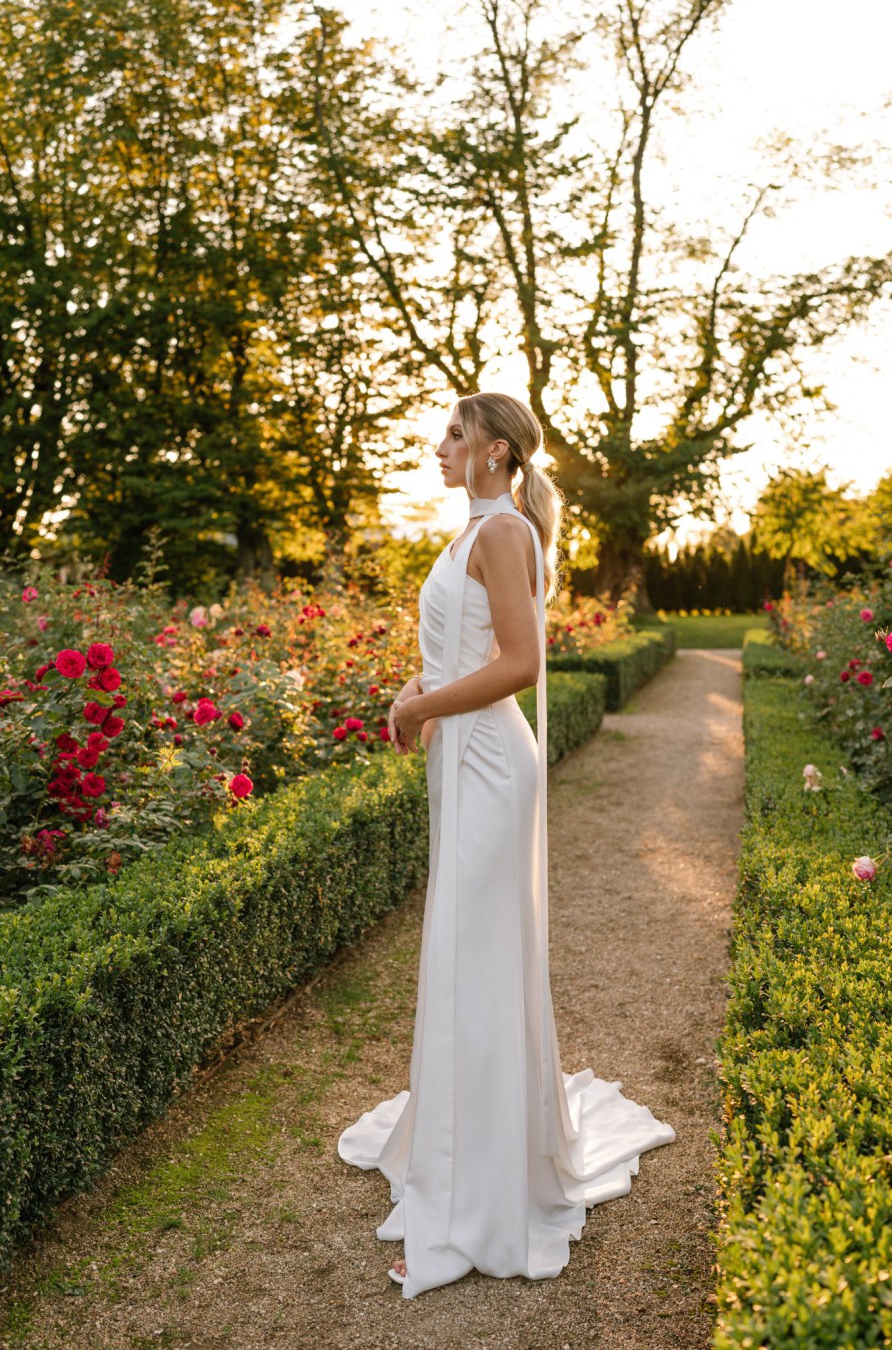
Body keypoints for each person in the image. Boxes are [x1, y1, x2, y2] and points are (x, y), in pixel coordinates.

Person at [337, 391, 676, 1299]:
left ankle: (476, 1197)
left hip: (490, 766)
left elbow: (522, 668)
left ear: (494, 451)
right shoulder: (472, 535)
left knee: (473, 959)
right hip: (468, 761)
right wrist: (417, 687)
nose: (438, 446)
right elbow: (466, 650)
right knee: (464, 953)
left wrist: (422, 707)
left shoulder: (504, 535)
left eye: (454, 434)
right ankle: (464, 1149)